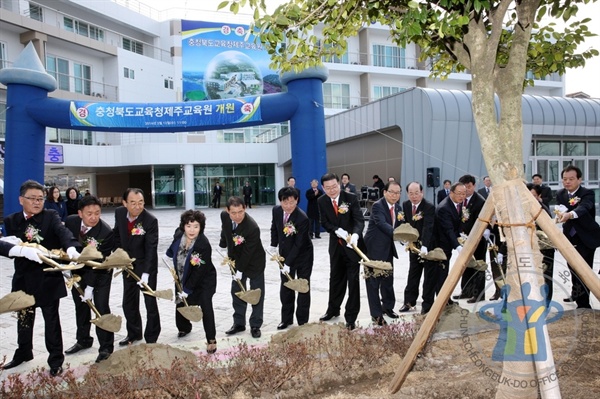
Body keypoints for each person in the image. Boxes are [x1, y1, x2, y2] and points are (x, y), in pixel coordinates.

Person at [2, 180, 81, 376]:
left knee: (51, 320)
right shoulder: (11, 221)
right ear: (21, 200)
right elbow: (4, 244)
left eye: (40, 199)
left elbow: (63, 232)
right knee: (24, 318)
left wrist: (71, 246)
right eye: (33, 199)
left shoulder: (50, 216)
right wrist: (18, 250)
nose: (37, 203)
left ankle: (55, 360)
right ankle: (23, 352)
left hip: (47, 278)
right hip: (23, 278)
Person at [64, 195, 115, 363]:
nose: (93, 217)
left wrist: (90, 287)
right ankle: (83, 340)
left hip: (100, 274)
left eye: (97, 213)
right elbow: (64, 241)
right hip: (78, 273)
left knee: (100, 308)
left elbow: (100, 262)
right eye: (89, 213)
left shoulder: (106, 232)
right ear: (80, 213)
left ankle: (106, 347)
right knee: (81, 307)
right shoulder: (71, 222)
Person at [113, 188, 161, 345]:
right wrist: (118, 255)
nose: (137, 207)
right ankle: (134, 333)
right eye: (132, 203)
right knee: (129, 302)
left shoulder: (150, 221)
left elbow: (151, 249)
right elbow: (117, 235)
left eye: (140, 202)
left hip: (146, 266)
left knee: (150, 303)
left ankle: (152, 337)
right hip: (128, 266)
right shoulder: (120, 213)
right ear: (125, 203)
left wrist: (146, 273)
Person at [318, 172, 365, 330]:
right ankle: (333, 309)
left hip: (353, 247)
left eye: (334, 186)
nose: (332, 190)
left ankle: (351, 317)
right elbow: (324, 221)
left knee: (353, 282)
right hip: (336, 247)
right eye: (328, 188)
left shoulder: (350, 198)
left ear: (340, 184)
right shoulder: (322, 201)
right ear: (323, 188)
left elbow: (359, 219)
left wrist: (356, 235)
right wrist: (336, 229)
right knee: (336, 279)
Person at [166, 210, 217, 353]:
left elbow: (199, 271)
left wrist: (187, 290)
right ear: (183, 226)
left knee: (206, 305)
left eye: (196, 226)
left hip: (204, 279)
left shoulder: (203, 244)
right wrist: (170, 255)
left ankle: (211, 339)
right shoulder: (178, 235)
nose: (192, 230)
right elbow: (172, 250)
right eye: (189, 226)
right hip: (182, 274)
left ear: (201, 227)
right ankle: (184, 328)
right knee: (180, 301)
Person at [219, 196, 266, 338]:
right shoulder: (224, 216)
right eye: (233, 213)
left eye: (240, 212)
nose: (237, 216)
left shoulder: (252, 227)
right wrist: (222, 244)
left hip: (254, 262)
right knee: (237, 291)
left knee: (256, 293)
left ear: (244, 208)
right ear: (227, 211)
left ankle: (256, 324)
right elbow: (225, 230)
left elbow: (248, 253)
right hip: (235, 259)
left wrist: (239, 271)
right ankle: (239, 323)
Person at [555, 165, 600, 309]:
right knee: (572, 268)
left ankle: (583, 304)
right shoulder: (561, 193)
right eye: (565, 179)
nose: (567, 182)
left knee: (583, 270)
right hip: (569, 237)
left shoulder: (587, 193)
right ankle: (576, 293)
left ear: (579, 180)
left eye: (571, 179)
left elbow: (584, 207)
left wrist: (570, 214)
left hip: (586, 238)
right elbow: (561, 208)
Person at [269, 187, 314, 329]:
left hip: (303, 256)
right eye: (285, 202)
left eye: (292, 202)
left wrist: (288, 263)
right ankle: (286, 319)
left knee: (302, 287)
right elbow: (274, 228)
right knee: (286, 287)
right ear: (280, 201)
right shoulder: (276, 211)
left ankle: (302, 321)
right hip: (285, 254)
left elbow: (299, 244)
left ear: (297, 201)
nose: (288, 206)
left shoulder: (302, 218)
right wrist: (273, 245)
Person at [363, 181, 402, 325]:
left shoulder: (398, 207)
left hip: (388, 249)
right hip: (373, 249)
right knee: (373, 283)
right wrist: (399, 234)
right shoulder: (378, 206)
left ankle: (388, 307)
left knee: (388, 280)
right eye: (391, 192)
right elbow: (382, 224)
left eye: (397, 192)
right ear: (384, 192)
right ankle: (376, 315)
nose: (394, 195)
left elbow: (401, 224)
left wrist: (408, 236)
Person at [399, 182, 437, 314]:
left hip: (428, 246)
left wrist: (425, 245)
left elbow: (428, 227)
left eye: (416, 193)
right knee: (413, 274)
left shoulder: (429, 207)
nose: (414, 196)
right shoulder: (405, 205)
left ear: (422, 193)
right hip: (413, 246)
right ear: (407, 193)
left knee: (428, 277)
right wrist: (404, 238)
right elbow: (404, 223)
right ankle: (409, 302)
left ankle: (427, 305)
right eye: (411, 193)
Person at [453, 174, 488, 303]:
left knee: (478, 265)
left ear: (474, 186)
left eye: (469, 187)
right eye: (464, 187)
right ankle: (466, 291)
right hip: (463, 239)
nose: (466, 190)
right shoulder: (459, 200)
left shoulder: (480, 201)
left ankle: (478, 294)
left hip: (478, 238)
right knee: (466, 265)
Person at [433, 182, 466, 314]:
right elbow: (448, 230)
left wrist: (461, 236)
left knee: (445, 273)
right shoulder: (444, 208)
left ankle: (446, 298)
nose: (462, 196)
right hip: (440, 246)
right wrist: (457, 246)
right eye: (459, 193)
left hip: (448, 244)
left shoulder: (458, 204)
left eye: (464, 194)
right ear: (451, 193)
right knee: (441, 273)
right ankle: (441, 300)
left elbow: (456, 224)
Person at [527, 183, 555, 305]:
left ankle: (546, 302)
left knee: (545, 276)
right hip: (528, 249)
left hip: (545, 248)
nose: (529, 198)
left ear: (539, 196)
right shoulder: (521, 210)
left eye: (533, 195)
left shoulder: (543, 210)